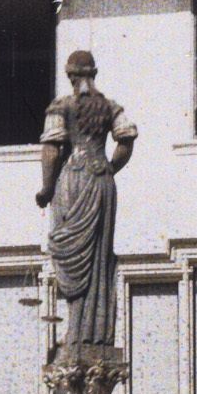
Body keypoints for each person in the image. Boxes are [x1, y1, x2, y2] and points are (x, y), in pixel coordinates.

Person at [36, 50, 137, 352]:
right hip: (101, 181)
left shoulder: (61, 106)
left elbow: (52, 150)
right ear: (94, 73)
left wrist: (46, 188)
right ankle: (92, 332)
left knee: (67, 250)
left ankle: (77, 332)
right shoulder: (111, 107)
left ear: (70, 75)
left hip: (73, 179)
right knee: (99, 260)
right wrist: (108, 168)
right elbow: (126, 141)